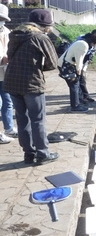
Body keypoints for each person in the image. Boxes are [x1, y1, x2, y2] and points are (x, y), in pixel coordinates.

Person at [3, 9, 60, 165]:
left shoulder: (14, 34)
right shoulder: (41, 37)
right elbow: (53, 63)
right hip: (32, 83)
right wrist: (38, 68)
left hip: (12, 82)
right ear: (45, 25)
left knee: (22, 119)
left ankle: (29, 154)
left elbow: (10, 55)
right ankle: (43, 154)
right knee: (38, 120)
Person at [58, 30, 96, 112]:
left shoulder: (86, 43)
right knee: (74, 85)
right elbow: (79, 60)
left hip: (68, 64)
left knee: (76, 84)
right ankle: (75, 106)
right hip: (66, 66)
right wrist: (79, 70)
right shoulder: (84, 45)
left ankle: (78, 102)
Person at [0, 4, 17, 143]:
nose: (1, 21)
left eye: (2, 19)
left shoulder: (6, 30)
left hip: (3, 72)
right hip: (2, 66)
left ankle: (9, 128)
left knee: (7, 101)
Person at [77, 29, 96, 104]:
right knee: (79, 81)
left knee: (82, 80)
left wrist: (89, 59)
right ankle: (81, 98)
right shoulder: (84, 42)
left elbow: (90, 53)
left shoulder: (91, 43)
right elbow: (79, 55)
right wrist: (79, 67)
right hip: (77, 63)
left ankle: (84, 97)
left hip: (83, 62)